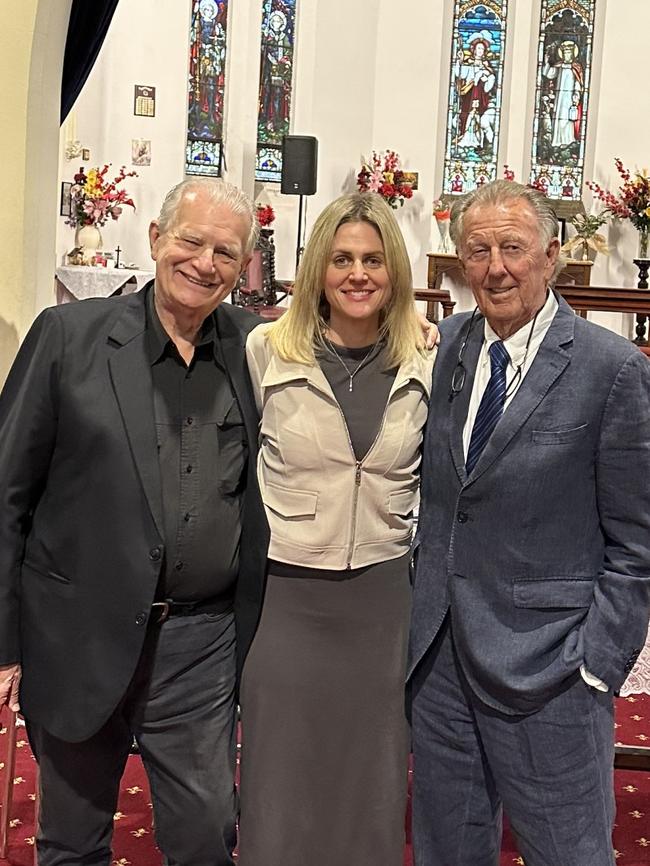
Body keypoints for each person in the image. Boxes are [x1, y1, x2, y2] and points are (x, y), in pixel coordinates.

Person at [0, 177, 269, 866]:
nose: (204, 263)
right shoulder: (67, 337)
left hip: (197, 644)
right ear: (155, 239)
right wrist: (3, 642)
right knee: (72, 839)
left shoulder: (257, 348)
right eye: (191, 241)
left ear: (244, 268)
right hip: (77, 634)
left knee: (208, 831)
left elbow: (347, 351)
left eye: (226, 252)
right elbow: (7, 494)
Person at [409, 179, 650, 866]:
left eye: (512, 248)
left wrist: (597, 665)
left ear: (551, 255)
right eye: (478, 250)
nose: (495, 267)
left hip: (553, 669)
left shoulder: (611, 370)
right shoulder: (447, 344)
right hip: (441, 660)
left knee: (568, 853)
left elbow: (637, 542)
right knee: (446, 850)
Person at [237, 192, 436, 866]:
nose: (359, 273)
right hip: (287, 600)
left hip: (381, 604)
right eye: (344, 258)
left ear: (394, 271)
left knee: (370, 787)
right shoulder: (266, 350)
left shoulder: (425, 357)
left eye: (374, 259)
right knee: (280, 786)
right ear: (320, 266)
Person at [543, 40, 583, 149]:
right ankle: (557, 141)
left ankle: (568, 140)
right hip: (559, 97)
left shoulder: (575, 67)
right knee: (558, 117)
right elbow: (549, 74)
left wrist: (576, 97)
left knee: (566, 119)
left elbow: (577, 84)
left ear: (572, 54)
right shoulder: (559, 66)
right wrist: (547, 62)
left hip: (569, 99)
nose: (567, 55)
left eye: (569, 53)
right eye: (565, 53)